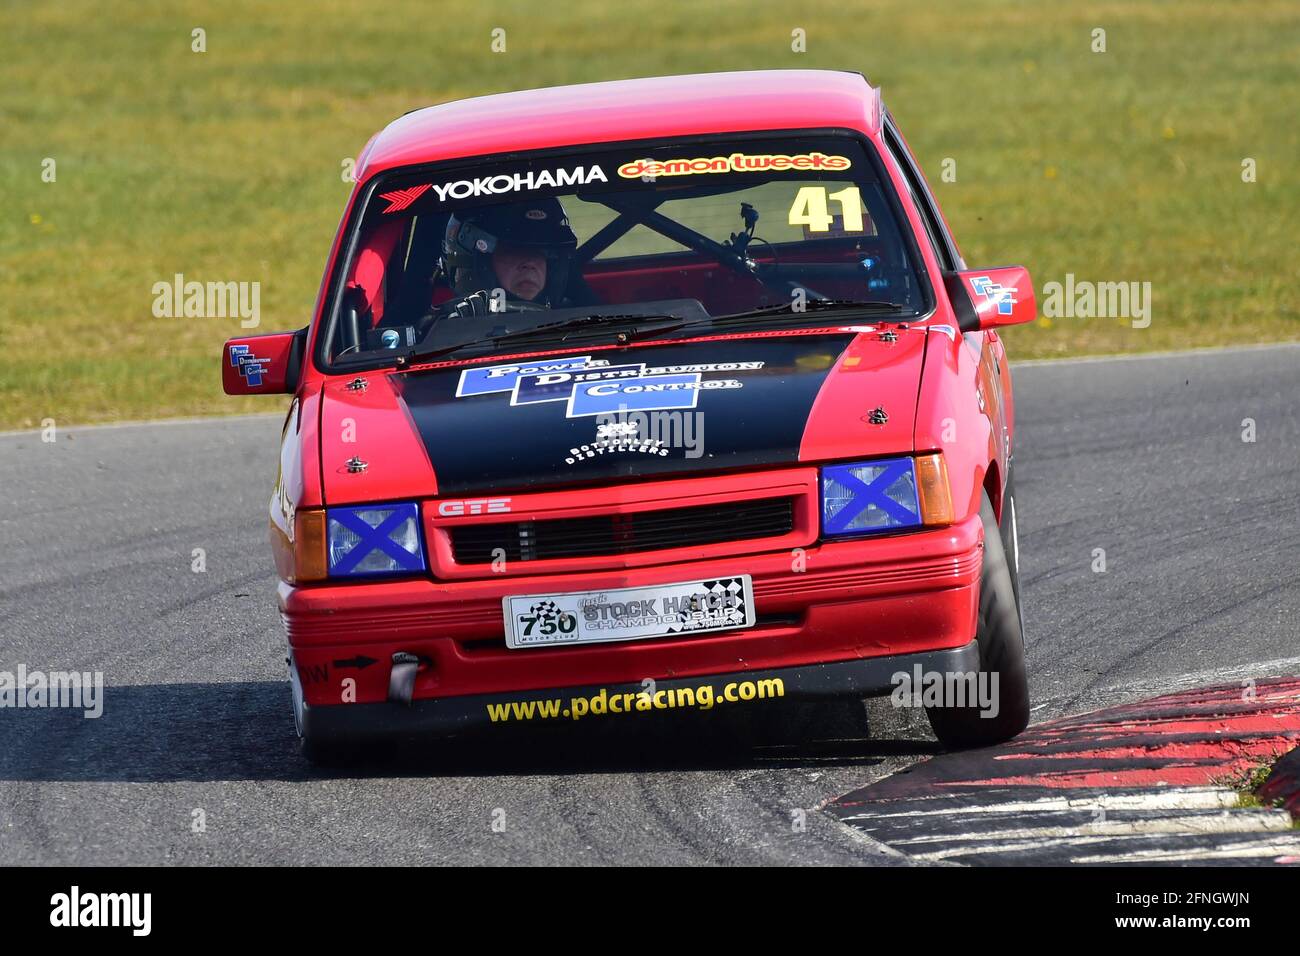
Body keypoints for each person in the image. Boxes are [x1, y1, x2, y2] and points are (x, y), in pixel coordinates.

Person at [439, 197, 578, 317]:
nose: (529, 262)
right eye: (514, 250)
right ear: (479, 263)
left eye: (540, 251)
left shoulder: (581, 324)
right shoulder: (437, 335)